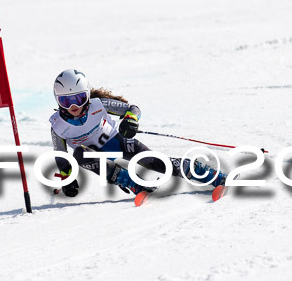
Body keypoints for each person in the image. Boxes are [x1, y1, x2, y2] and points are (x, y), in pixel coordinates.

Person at [49, 69, 227, 197]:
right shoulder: (58, 126)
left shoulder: (99, 104)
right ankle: (132, 182)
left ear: (87, 95)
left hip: (116, 142)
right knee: (80, 153)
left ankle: (210, 175)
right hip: (94, 157)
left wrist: (130, 119)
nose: (74, 106)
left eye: (79, 99)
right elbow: (61, 156)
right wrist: (67, 177)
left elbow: (133, 108)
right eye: (66, 101)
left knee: (156, 163)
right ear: (58, 100)